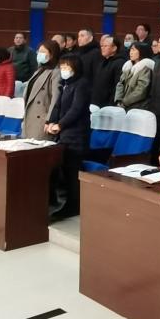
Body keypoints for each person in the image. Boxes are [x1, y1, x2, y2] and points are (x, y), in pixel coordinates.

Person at [46, 54, 91, 219]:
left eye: (67, 67)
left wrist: (60, 125)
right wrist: (50, 122)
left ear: (75, 68)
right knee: (64, 169)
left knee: (72, 172)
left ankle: (74, 205)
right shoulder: (66, 84)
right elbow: (57, 106)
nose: (63, 70)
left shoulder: (82, 84)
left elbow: (76, 109)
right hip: (65, 136)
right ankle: (67, 202)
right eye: (62, 67)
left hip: (76, 135)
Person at [22, 39, 61, 138]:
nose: (39, 54)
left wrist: (49, 120)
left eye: (43, 52)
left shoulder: (56, 72)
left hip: (43, 121)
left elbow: (55, 99)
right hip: (30, 117)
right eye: (39, 51)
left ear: (52, 55)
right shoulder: (39, 70)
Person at [114, 41, 153, 110]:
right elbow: (120, 83)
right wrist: (118, 100)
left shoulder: (146, 68)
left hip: (137, 106)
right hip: (123, 105)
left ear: (142, 51)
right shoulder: (128, 66)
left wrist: (124, 102)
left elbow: (141, 91)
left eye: (134, 50)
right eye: (130, 50)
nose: (131, 52)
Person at [88, 34, 124, 108]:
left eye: (105, 46)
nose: (102, 48)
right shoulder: (102, 62)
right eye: (102, 46)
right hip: (96, 103)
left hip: (108, 105)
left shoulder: (119, 63)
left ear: (114, 48)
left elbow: (117, 86)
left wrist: (111, 104)